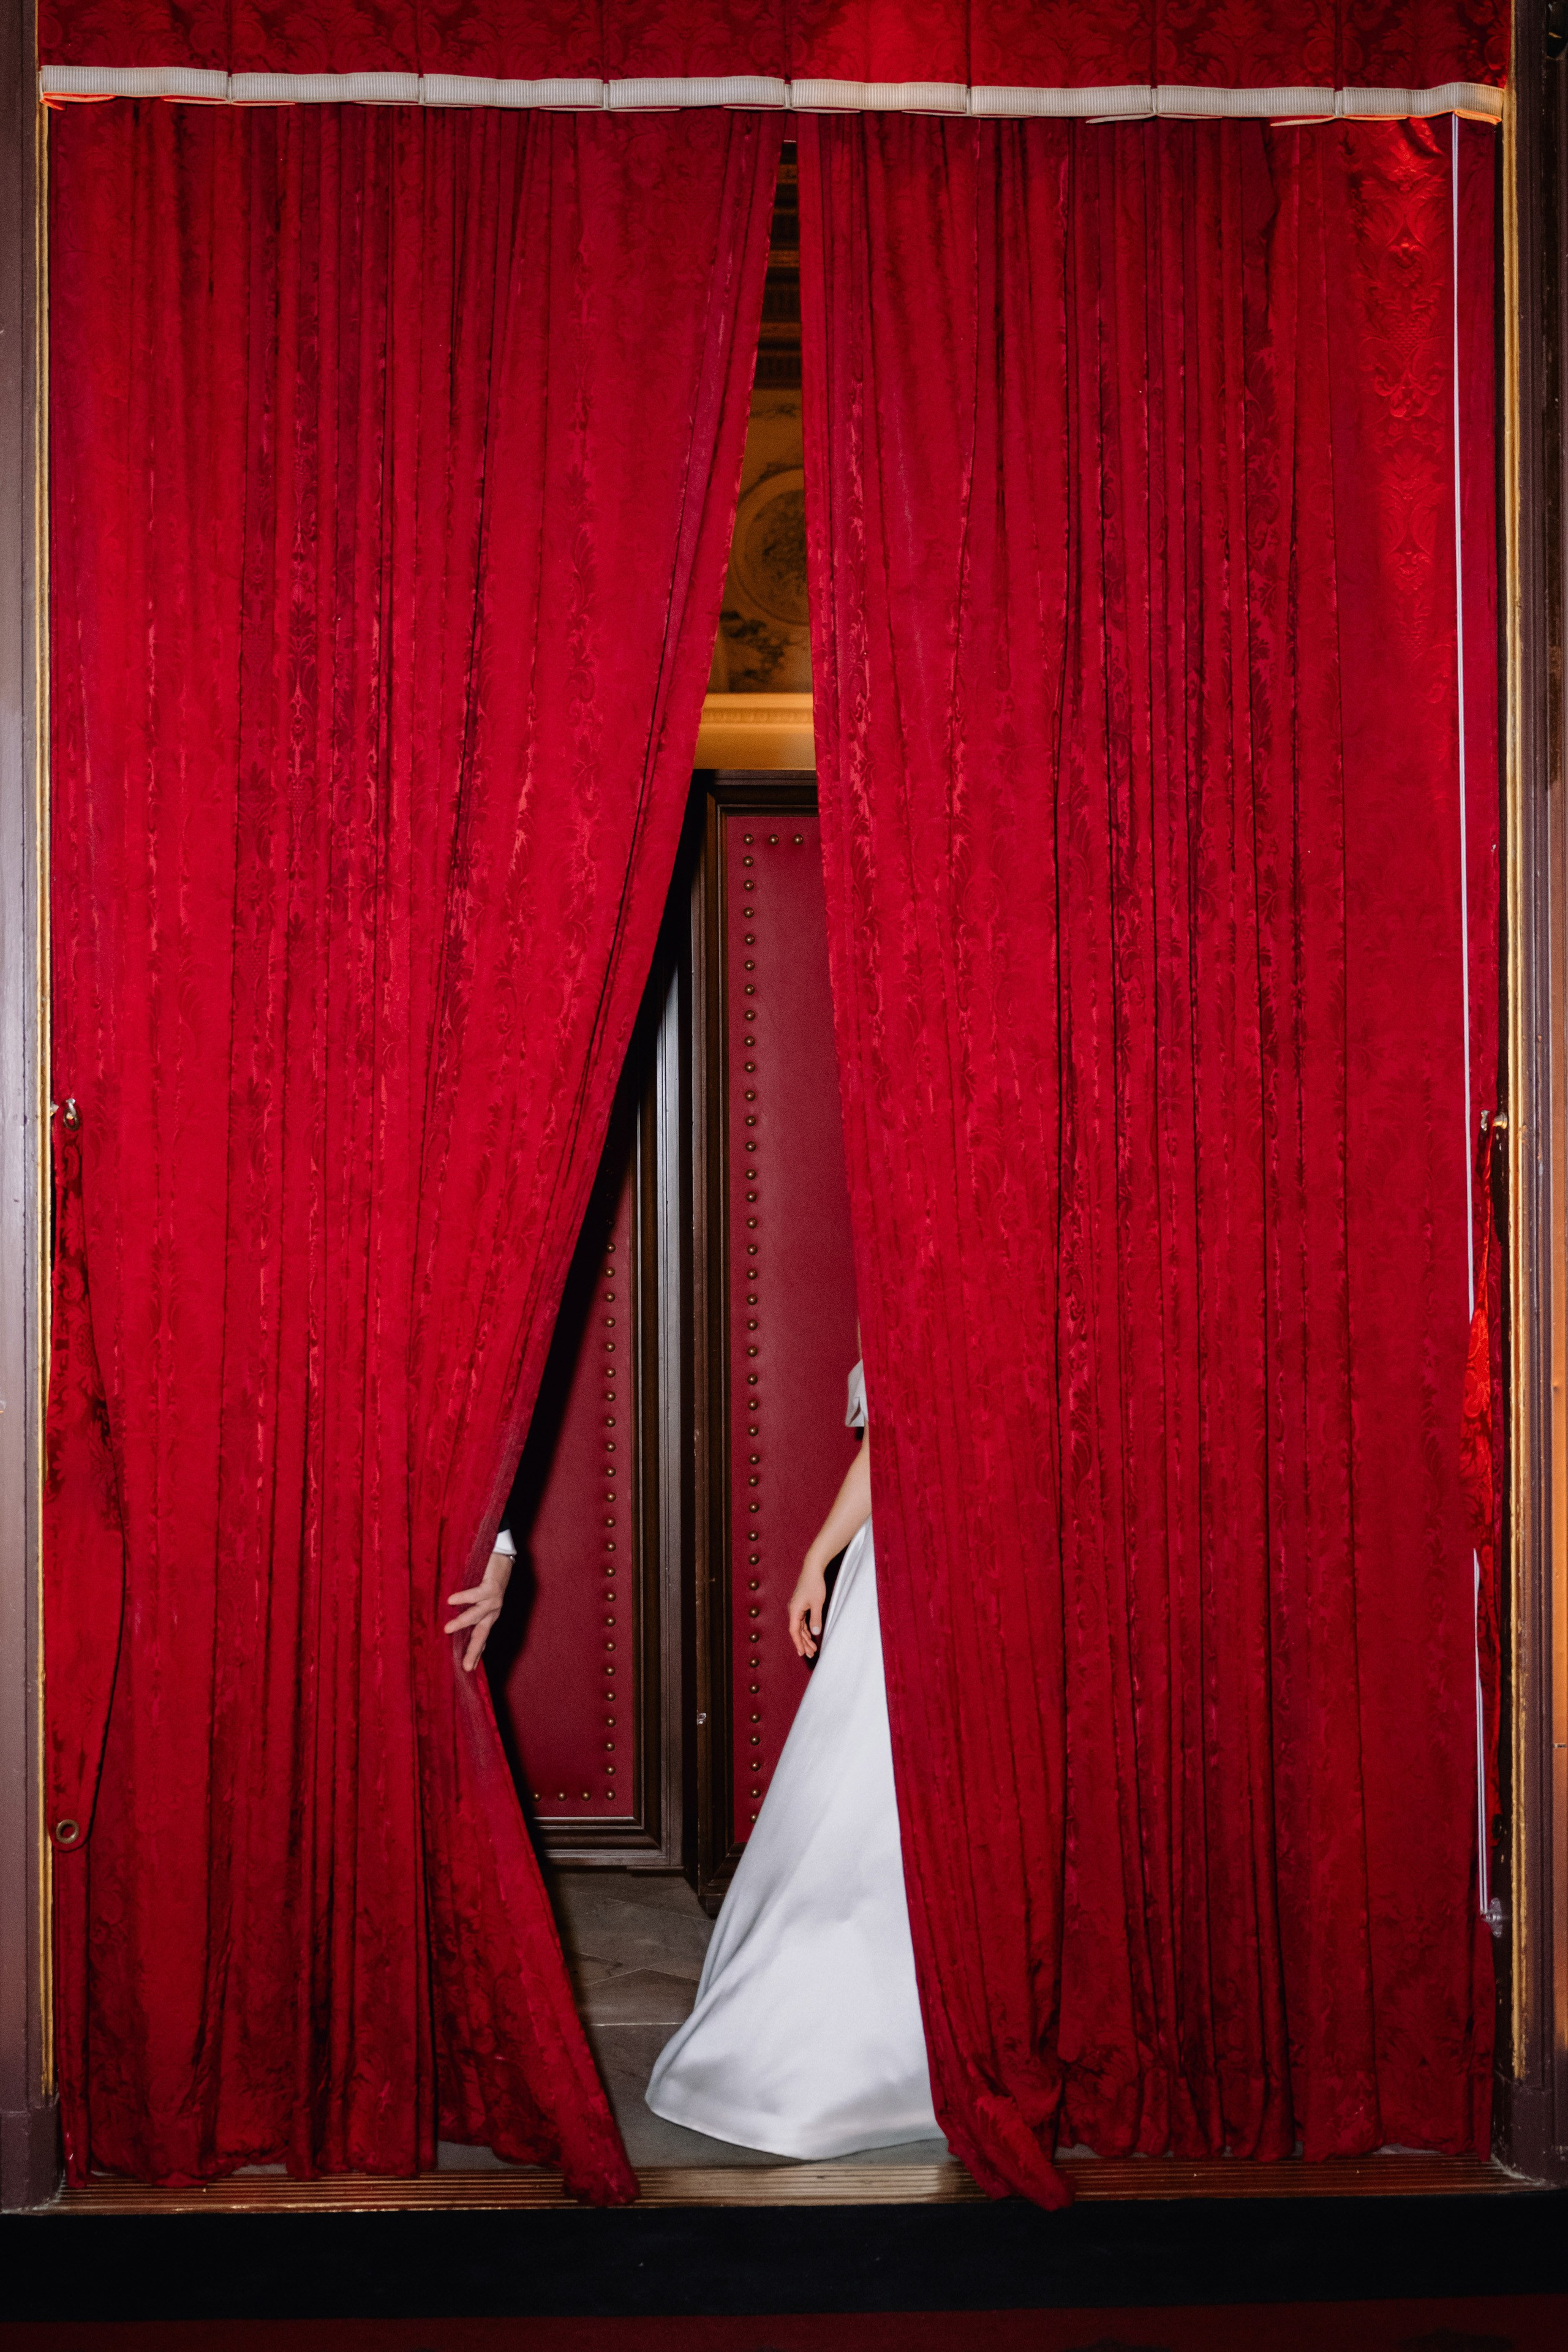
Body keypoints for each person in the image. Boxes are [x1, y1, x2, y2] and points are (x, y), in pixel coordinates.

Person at [644, 1355, 939, 2158]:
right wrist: (818, 1558)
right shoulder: (903, 1268)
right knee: (862, 1794)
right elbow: (886, 1445)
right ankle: (831, 2043)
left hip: (992, 1556)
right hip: (909, 1561)